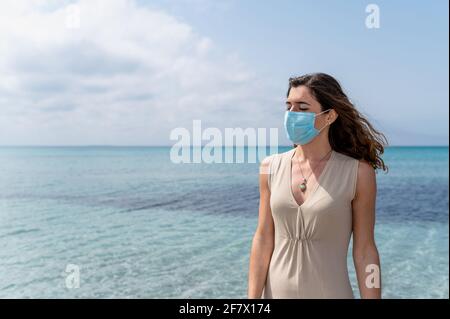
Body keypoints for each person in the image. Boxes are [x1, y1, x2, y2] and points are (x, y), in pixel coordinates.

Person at [248, 73, 387, 299]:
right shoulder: (269, 167)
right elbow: (263, 239)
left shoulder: (359, 174)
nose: (292, 115)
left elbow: (365, 252)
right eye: (289, 107)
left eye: (302, 108)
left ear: (329, 116)